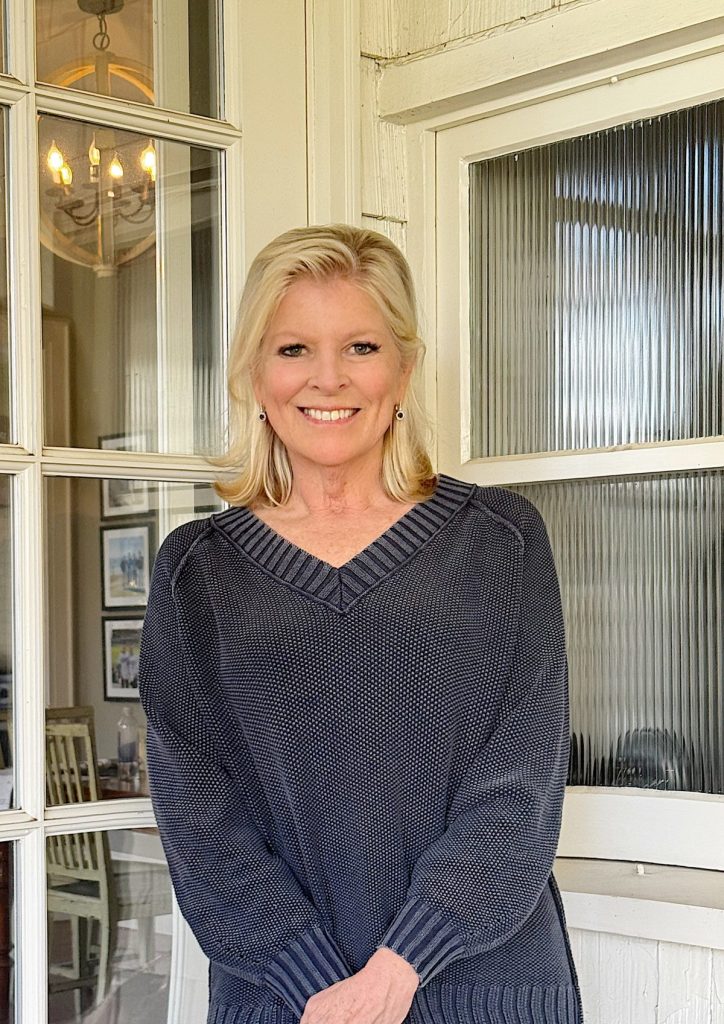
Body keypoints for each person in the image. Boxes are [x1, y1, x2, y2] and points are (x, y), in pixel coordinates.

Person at [138, 224, 584, 1024]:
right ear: (253, 373)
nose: (329, 378)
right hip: (284, 1001)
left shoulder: (502, 543)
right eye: (294, 349)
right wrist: (314, 980)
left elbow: (520, 790)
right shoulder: (195, 573)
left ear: (404, 368)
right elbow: (200, 817)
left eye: (362, 347)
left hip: (482, 990)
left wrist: (399, 966)